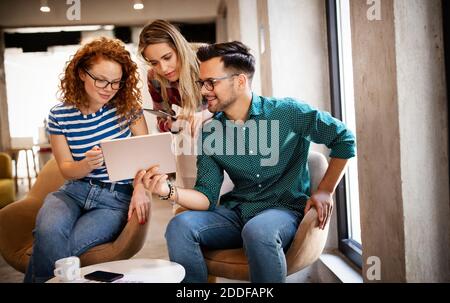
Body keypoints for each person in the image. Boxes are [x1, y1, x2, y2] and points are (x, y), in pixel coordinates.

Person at [139, 41, 356, 283]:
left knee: (258, 230)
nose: (203, 91)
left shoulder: (288, 112)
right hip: (238, 212)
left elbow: (344, 139)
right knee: (179, 226)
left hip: (283, 210)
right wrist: (165, 190)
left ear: (240, 81)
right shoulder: (210, 132)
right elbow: (206, 196)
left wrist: (325, 190)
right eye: (202, 83)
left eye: (211, 82)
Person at [24, 37, 150, 283]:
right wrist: (86, 165)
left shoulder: (129, 109)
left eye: (115, 82)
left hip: (113, 200)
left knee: (59, 247)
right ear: (82, 74)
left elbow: (145, 158)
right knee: (48, 232)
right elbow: (67, 170)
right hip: (72, 192)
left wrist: (141, 188)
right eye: (101, 79)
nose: (108, 88)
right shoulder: (59, 115)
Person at [138, 19, 211, 189]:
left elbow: (232, 102)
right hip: (189, 147)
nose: (163, 68)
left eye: (167, 57)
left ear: (178, 46)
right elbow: (161, 120)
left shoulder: (206, 58)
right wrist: (172, 123)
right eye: (154, 62)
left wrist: (205, 114)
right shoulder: (154, 78)